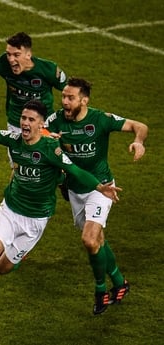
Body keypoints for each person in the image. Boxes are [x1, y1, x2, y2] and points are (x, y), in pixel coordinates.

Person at [0, 100, 121, 330]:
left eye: (31, 120)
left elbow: (75, 170)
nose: (25, 123)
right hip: (9, 209)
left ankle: (20, 255)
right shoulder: (13, 139)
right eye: (23, 118)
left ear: (41, 125)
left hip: (35, 220)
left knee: (3, 268)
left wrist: (99, 188)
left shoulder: (51, 150)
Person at [44, 77, 148, 314]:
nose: (65, 102)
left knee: (89, 239)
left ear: (84, 100)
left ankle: (101, 290)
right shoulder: (56, 120)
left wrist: (138, 142)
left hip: (102, 188)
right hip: (75, 190)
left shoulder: (100, 119)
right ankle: (120, 283)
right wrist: (46, 138)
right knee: (97, 240)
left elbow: (139, 125)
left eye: (71, 98)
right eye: (63, 97)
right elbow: (38, 134)